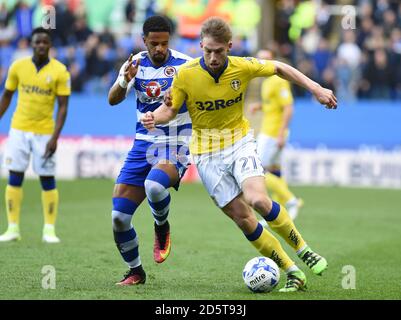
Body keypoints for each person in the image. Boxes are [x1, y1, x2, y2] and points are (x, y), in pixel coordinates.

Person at [142, 17, 337, 292]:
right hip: (206, 154)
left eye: (219, 51)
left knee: (258, 199)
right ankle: (292, 272)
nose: (212, 57)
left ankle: (304, 250)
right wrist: (154, 117)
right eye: (207, 50)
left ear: (229, 47)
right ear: (200, 46)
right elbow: (170, 109)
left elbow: (280, 67)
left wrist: (316, 89)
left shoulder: (242, 66)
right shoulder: (185, 74)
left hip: (239, 143)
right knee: (243, 218)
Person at [108, 15, 192, 286]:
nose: (159, 49)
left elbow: (201, 100)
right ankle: (136, 271)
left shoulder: (185, 66)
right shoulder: (134, 64)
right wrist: (123, 81)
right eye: (154, 43)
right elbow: (112, 100)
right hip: (142, 144)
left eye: (164, 43)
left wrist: (178, 103)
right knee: (119, 217)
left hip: (175, 143)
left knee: (154, 186)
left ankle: (161, 226)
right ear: (144, 41)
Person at [0, 27, 71, 243]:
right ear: (31, 44)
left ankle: (49, 229)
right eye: (37, 42)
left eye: (45, 42)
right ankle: (12, 228)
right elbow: (6, 97)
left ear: (50, 45)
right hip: (19, 129)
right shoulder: (18, 67)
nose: (41, 45)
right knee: (15, 176)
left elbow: (63, 107)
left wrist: (55, 137)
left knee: (47, 179)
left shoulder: (60, 71)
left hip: (44, 132)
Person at [249, 48, 303, 220]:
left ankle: (291, 200)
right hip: (270, 130)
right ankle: (280, 213)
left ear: (273, 61)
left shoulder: (278, 81)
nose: (262, 63)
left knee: (259, 169)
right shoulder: (266, 81)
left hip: (272, 133)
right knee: (275, 171)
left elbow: (288, 108)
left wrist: (280, 134)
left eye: (266, 59)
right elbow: (274, 105)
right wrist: (260, 106)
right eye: (259, 59)